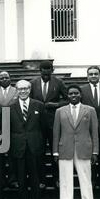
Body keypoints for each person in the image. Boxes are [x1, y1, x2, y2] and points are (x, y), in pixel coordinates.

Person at [53, 84, 100, 199]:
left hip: (84, 148)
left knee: (86, 179)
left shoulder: (90, 110)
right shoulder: (60, 111)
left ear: (80, 95)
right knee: (65, 179)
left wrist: (95, 151)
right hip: (65, 149)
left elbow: (94, 132)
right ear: (67, 96)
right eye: (70, 94)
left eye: (76, 93)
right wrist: (55, 151)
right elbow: (56, 132)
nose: (73, 96)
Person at [30, 61, 67, 191]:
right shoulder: (33, 83)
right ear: (39, 70)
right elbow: (28, 101)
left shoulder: (59, 82)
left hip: (54, 122)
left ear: (52, 69)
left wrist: (56, 105)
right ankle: (41, 179)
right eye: (43, 69)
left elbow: (67, 99)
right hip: (37, 123)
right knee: (39, 153)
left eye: (48, 69)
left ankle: (56, 179)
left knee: (55, 151)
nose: (45, 72)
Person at [10, 80, 45, 199]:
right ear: (16, 90)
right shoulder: (10, 107)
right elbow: (8, 129)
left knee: (35, 180)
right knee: (21, 181)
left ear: (30, 90)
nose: (23, 91)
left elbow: (44, 127)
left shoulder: (39, 105)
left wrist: (40, 144)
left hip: (34, 148)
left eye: (25, 89)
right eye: (20, 89)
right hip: (18, 148)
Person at [0, 70, 19, 189]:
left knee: (13, 154)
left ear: (10, 78)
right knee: (0, 156)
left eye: (6, 77)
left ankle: (13, 178)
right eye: (1, 78)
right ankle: (1, 179)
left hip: (14, 125)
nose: (4, 79)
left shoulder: (17, 91)